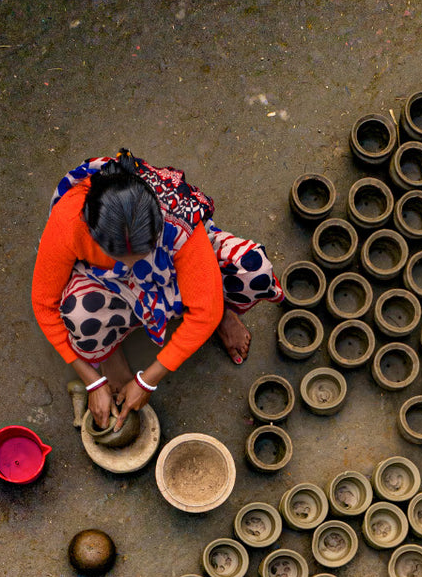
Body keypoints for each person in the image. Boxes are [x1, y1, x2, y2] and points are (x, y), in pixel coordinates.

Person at [32, 148, 283, 430]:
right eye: (119, 256)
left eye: (141, 253)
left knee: (252, 271)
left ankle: (220, 311)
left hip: (172, 270)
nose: (132, 264)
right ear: (93, 233)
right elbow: (44, 304)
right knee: (79, 316)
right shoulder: (71, 220)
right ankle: (109, 356)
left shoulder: (177, 216)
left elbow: (203, 309)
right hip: (111, 283)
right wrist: (92, 380)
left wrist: (148, 379)